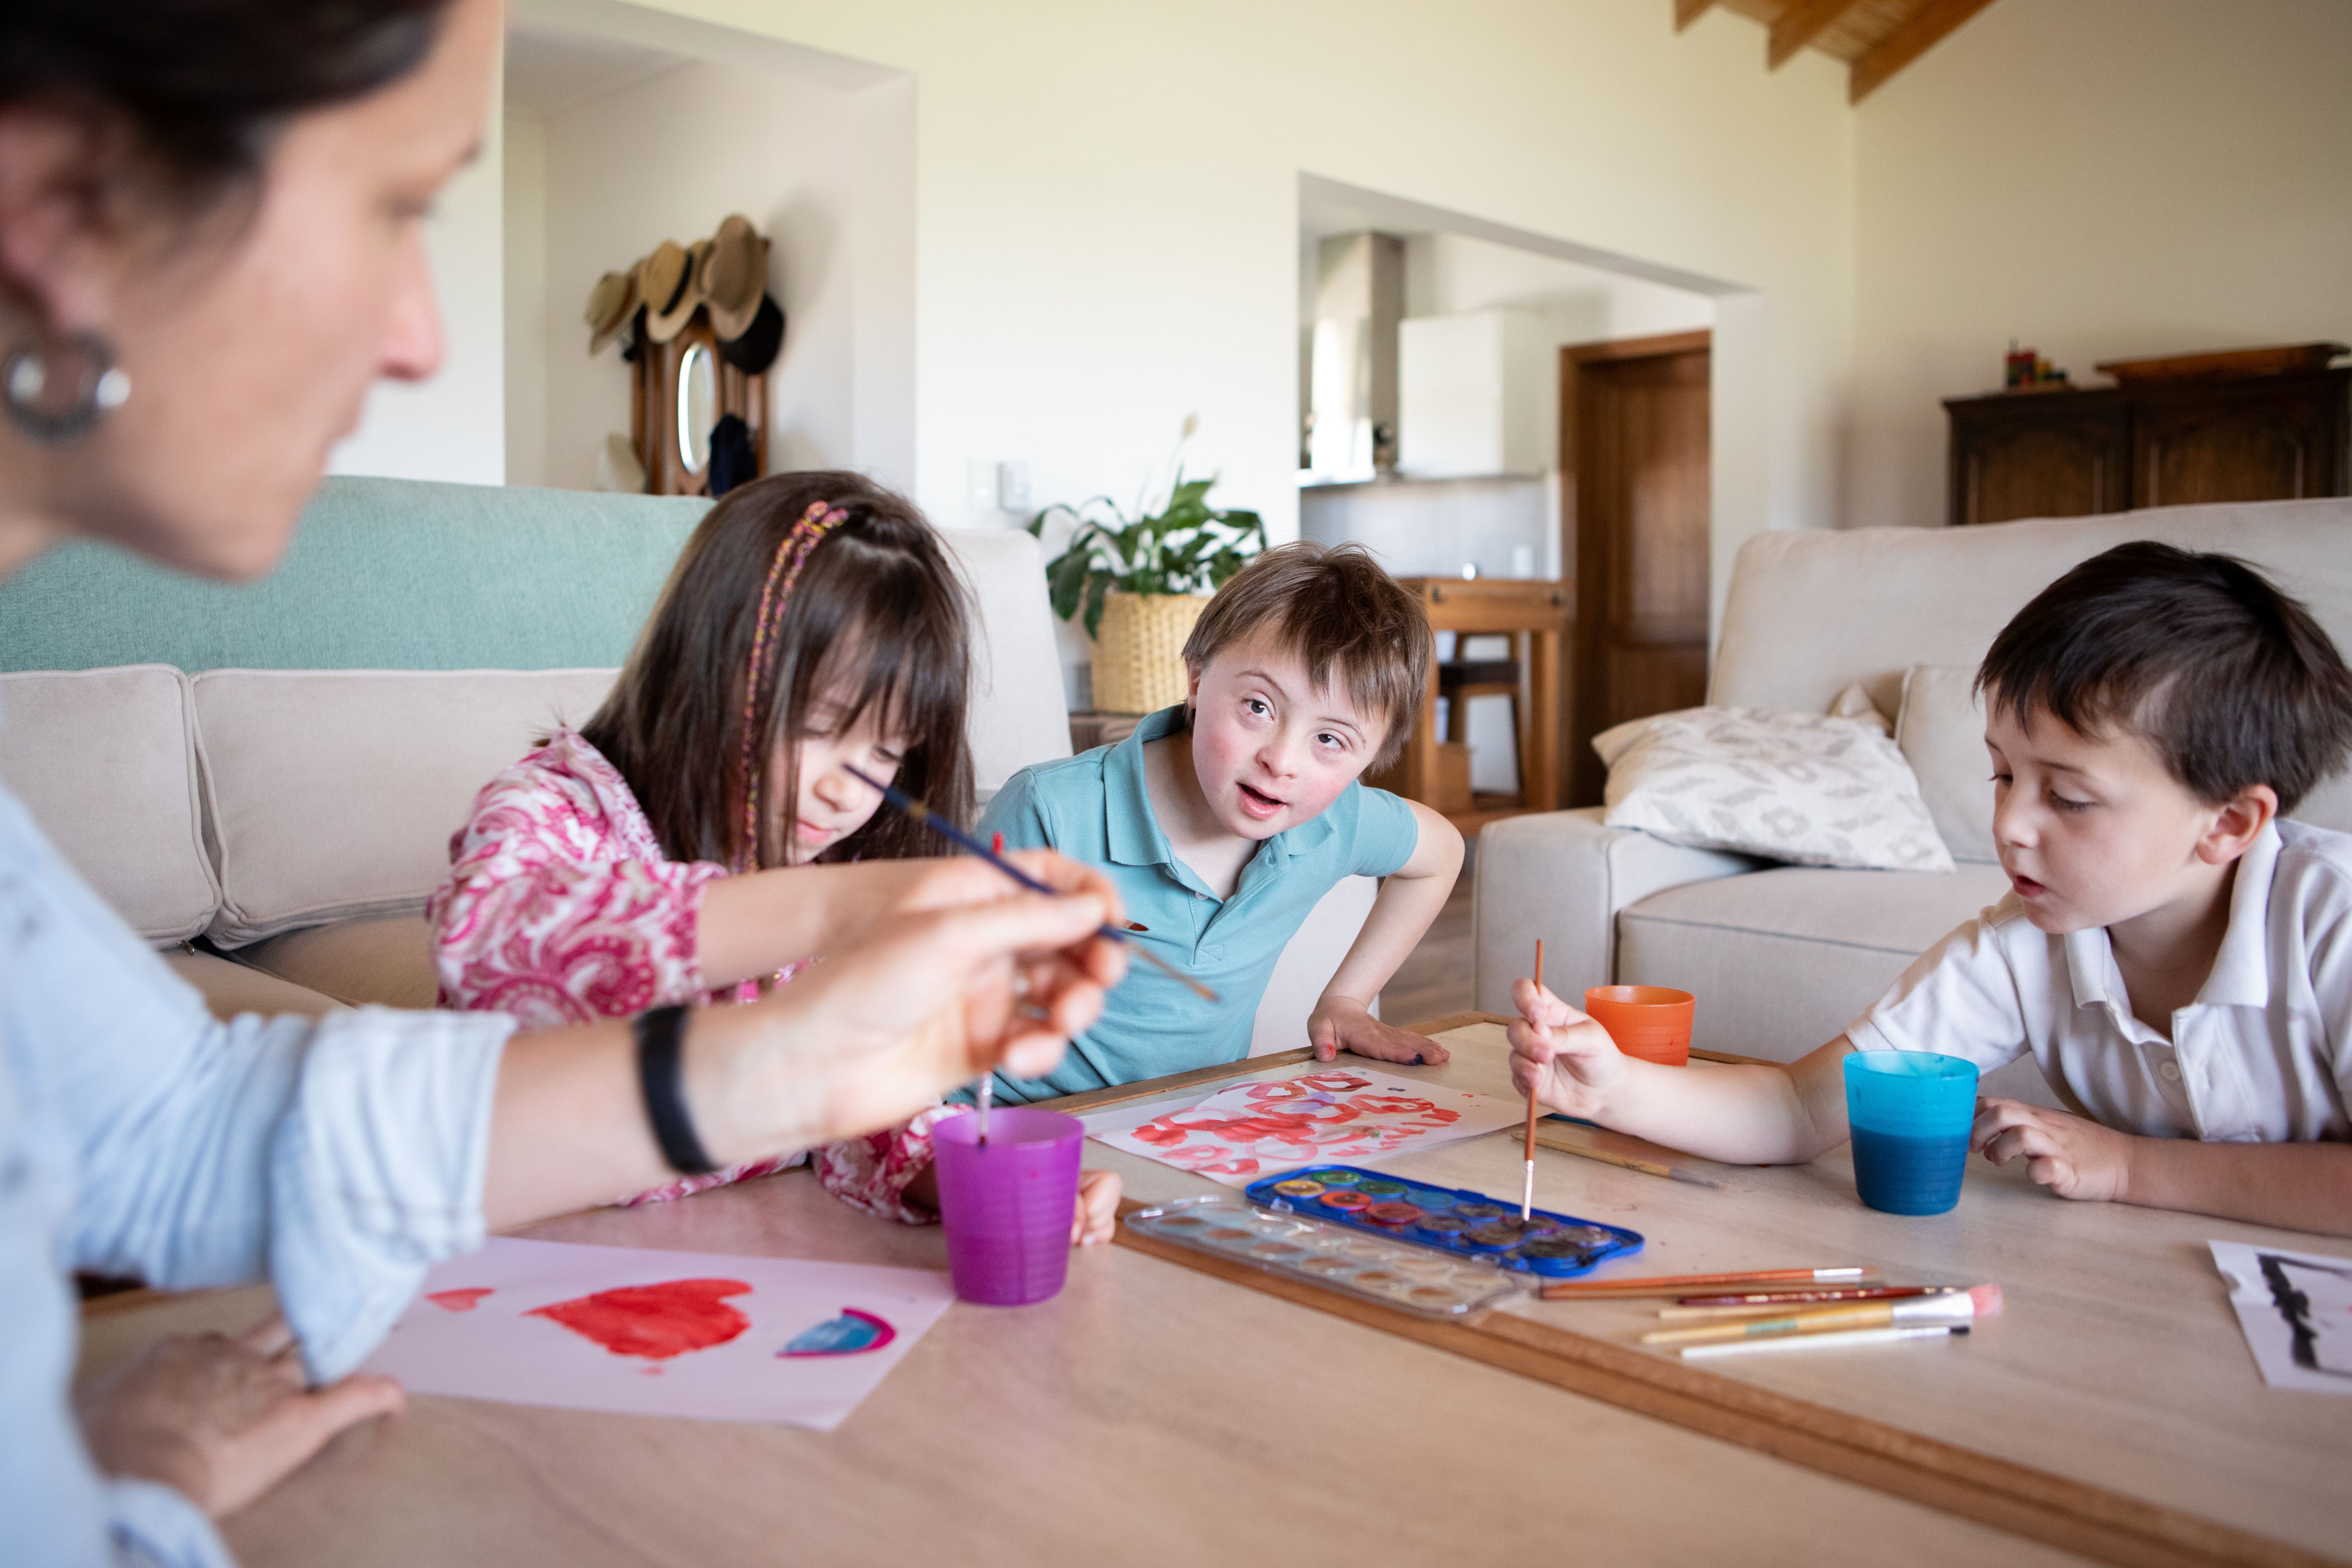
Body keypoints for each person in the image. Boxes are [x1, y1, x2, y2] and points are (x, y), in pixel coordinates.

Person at [0, 4, 1123, 1564]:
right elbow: (521, 940)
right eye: (393, 204)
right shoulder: (568, 807)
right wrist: (864, 908)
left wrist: (924, 1150)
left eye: (889, 761)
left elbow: (185, 1131)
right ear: (55, 186)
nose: (421, 340)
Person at [1509, 543, 2352, 1236]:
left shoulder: (2333, 924)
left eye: (2068, 796)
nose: (2013, 825)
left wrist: (2132, 1166)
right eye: (2000, 776)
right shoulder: (2025, 943)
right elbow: (1804, 1109)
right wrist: (1618, 1087)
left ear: (2231, 824)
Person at [427, 470, 1122, 1238]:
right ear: (708, 667)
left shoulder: (818, 859)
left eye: (888, 749)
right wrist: (846, 910)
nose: (848, 792)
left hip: (728, 1268)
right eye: (820, 726)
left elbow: (857, 1104)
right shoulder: (550, 811)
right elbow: (495, 948)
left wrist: (969, 1183)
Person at [976, 541, 1466, 1101]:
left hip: (1182, 1139)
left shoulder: (1337, 821)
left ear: (1370, 758)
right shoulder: (1050, 811)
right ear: (1197, 678)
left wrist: (1348, 1000)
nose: (1281, 762)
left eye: (1329, 740)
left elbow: (1441, 854)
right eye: (1258, 707)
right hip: (1015, 1134)